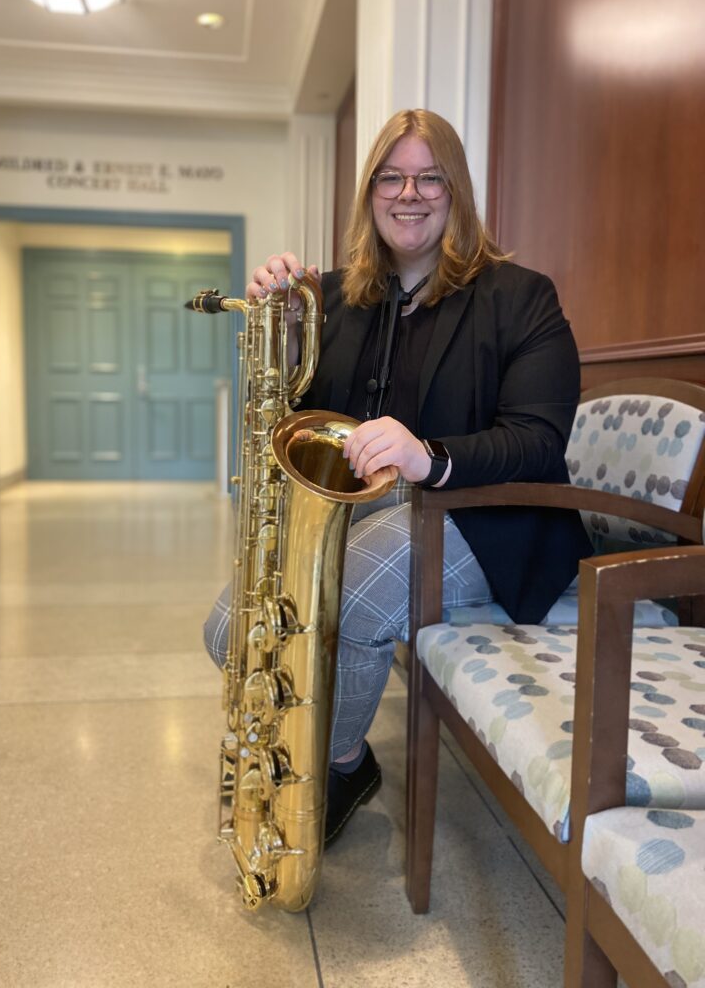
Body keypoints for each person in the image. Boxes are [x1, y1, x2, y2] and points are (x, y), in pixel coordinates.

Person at [204, 108, 592, 847]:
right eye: (391, 176)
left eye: (429, 177)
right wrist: (280, 321)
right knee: (228, 630)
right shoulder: (338, 295)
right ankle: (295, 740)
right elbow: (297, 413)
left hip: (483, 515)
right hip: (368, 513)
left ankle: (341, 761)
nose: (408, 193)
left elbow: (540, 440)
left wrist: (430, 456)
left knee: (349, 599)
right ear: (370, 192)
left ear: (457, 191)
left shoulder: (522, 296)